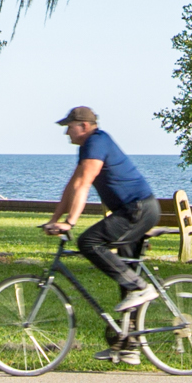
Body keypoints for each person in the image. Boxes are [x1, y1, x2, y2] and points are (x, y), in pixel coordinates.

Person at [45, 106, 163, 359]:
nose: (66, 132)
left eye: (70, 126)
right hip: (133, 210)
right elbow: (73, 185)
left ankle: (140, 287)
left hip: (138, 210)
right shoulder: (88, 147)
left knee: (89, 241)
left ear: (84, 126)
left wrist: (70, 223)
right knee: (124, 274)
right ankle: (129, 347)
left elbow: (85, 183)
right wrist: (54, 219)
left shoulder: (97, 142)